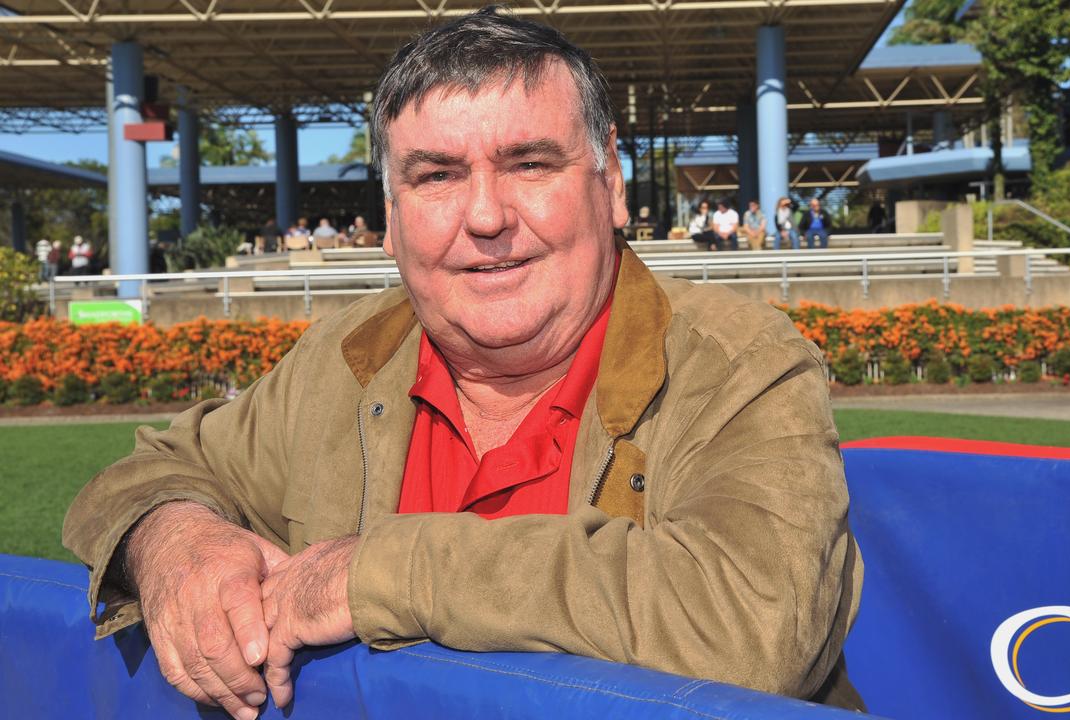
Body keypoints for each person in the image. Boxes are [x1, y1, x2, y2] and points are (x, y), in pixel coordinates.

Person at [63, 9, 862, 720]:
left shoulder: (741, 364)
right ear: (390, 218)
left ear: (611, 182)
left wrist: (374, 574)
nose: (485, 217)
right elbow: (149, 474)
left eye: (530, 164)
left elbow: (754, 625)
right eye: (437, 175)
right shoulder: (344, 358)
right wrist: (175, 543)